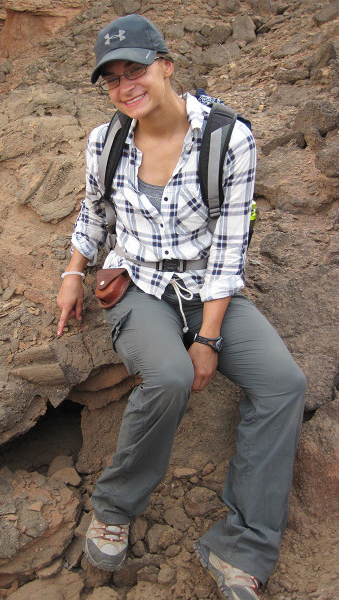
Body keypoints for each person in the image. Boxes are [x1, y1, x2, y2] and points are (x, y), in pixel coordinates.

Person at [56, 14, 306, 600]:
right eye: (113, 79)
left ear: (166, 66)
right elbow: (94, 211)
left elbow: (230, 248)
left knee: (283, 384)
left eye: (136, 71)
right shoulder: (106, 141)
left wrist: (209, 337)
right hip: (139, 285)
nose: (126, 87)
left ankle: (242, 547)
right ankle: (114, 508)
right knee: (168, 375)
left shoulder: (227, 139)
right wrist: (72, 272)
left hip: (207, 288)